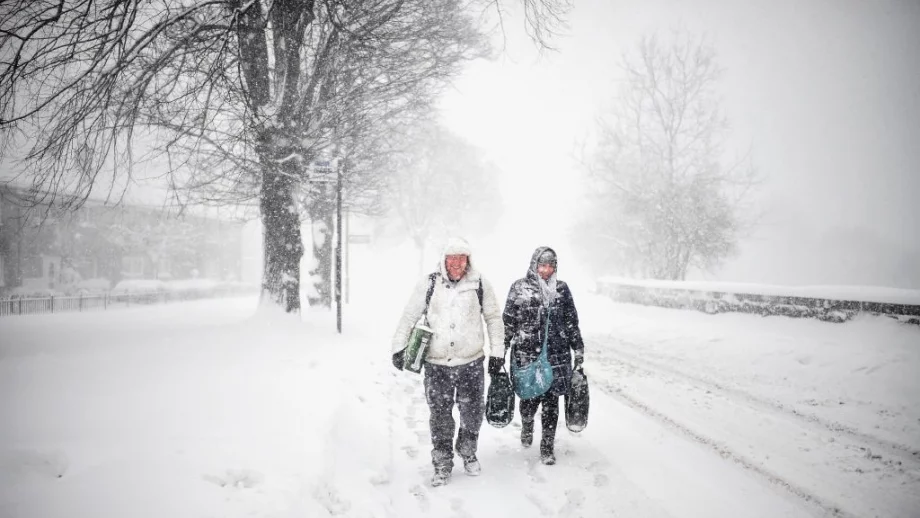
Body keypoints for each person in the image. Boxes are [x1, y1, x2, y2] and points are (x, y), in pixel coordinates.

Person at [391, 237, 505, 487]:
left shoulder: (479, 283)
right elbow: (409, 316)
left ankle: (467, 450)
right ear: (444, 260)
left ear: (468, 260)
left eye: (461, 258)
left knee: (473, 413)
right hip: (437, 365)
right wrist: (398, 347)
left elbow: (494, 318)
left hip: (471, 363)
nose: (456, 263)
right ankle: (442, 462)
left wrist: (497, 352)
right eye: (452, 258)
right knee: (440, 416)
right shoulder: (429, 283)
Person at [501, 246, 585, 465]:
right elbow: (508, 322)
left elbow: (571, 322)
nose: (546, 270)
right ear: (534, 265)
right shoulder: (519, 288)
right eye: (542, 266)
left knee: (551, 403)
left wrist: (578, 349)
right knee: (528, 401)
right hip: (527, 356)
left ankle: (547, 446)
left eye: (550, 266)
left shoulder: (562, 290)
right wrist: (500, 350)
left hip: (556, 356)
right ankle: (527, 424)